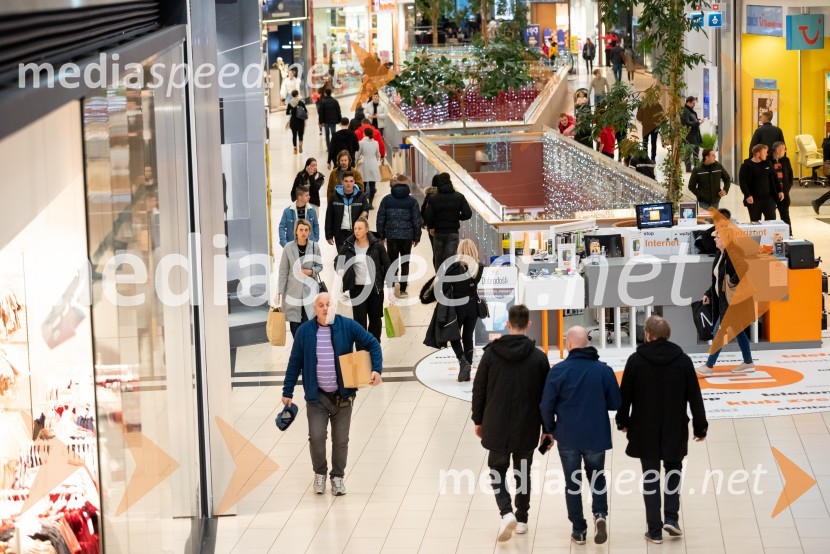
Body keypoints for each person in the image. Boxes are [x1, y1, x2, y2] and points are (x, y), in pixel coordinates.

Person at [616, 316, 707, 544]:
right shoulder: (683, 361)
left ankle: (654, 531)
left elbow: (625, 395)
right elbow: (694, 397)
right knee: (673, 471)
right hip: (674, 427)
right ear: (668, 335)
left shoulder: (636, 360)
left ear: (647, 335)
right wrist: (700, 427)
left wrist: (622, 420)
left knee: (650, 477)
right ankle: (672, 519)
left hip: (645, 428)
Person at [282, 292, 383, 496]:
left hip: (343, 397)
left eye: (329, 304)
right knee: (317, 438)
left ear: (334, 306)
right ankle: (319, 473)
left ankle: (337, 477)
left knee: (341, 440)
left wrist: (376, 369)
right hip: (316, 397)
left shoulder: (348, 325)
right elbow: (295, 363)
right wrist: (288, 390)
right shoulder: (305, 332)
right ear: (315, 308)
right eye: (321, 305)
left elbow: (372, 343)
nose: (325, 308)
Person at [471, 304, 550, 543]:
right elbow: (547, 397)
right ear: (529, 324)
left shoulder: (491, 353)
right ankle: (523, 519)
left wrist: (478, 418)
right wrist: (548, 429)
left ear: (507, 324)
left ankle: (506, 512)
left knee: (497, 469)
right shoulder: (539, 357)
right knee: (523, 472)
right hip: (527, 424)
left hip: (495, 421)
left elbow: (479, 389)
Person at [540, 326, 621, 546]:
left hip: (567, 437)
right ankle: (600, 514)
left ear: (568, 344)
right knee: (597, 477)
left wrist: (548, 429)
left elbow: (546, 405)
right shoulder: (603, 370)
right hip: (596, 436)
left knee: (572, 483)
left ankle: (579, 530)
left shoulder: (558, 371)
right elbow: (616, 403)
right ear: (587, 343)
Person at [695, 228, 756, 376]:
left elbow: (744, 267)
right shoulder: (720, 254)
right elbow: (717, 279)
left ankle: (709, 366)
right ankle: (748, 362)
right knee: (738, 330)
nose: (715, 240)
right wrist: (708, 293)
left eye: (717, 237)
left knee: (719, 332)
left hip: (733, 302)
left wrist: (732, 283)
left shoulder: (734, 253)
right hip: (724, 300)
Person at [336, 218, 391, 342]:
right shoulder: (349, 244)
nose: (357, 231)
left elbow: (387, 265)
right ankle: (362, 352)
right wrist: (340, 269)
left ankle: (374, 348)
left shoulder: (377, 245)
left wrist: (390, 287)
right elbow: (338, 260)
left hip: (374, 288)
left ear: (367, 229)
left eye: (360, 228)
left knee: (375, 321)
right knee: (359, 323)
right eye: (355, 228)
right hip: (357, 289)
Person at [443, 239, 484, 382]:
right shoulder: (479, 267)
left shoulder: (454, 268)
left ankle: (463, 361)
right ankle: (467, 369)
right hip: (473, 306)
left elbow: (444, 286)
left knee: (454, 335)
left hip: (458, 306)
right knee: (468, 337)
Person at [276, 219, 323, 337]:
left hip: (309, 292)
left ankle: (307, 353)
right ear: (295, 231)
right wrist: (279, 292)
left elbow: (320, 266)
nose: (303, 232)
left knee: (309, 327)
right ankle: (300, 352)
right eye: (301, 230)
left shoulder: (314, 246)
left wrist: (310, 271)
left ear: (309, 232)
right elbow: (283, 271)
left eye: (306, 230)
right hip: (292, 293)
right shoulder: (288, 248)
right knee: (295, 329)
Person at [376, 175, 421, 297]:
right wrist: (417, 237)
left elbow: (380, 218)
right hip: (407, 237)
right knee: (405, 262)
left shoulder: (386, 200)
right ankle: (403, 289)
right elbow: (416, 220)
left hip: (391, 236)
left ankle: (392, 284)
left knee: (391, 261)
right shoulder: (412, 201)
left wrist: (381, 235)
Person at [423, 172, 473, 271]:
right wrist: (457, 217)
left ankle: (439, 282)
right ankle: (450, 283)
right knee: (451, 260)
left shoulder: (433, 198)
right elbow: (468, 213)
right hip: (453, 232)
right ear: (450, 182)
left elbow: (427, 215)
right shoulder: (459, 196)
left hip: (439, 232)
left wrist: (431, 226)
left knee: (439, 259)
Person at [325, 172, 369, 253]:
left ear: (354, 182)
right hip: (339, 234)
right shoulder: (335, 197)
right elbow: (329, 216)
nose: (348, 183)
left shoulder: (361, 196)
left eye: (351, 181)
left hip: (356, 233)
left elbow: (366, 210)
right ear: (342, 182)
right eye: (346, 181)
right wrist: (328, 235)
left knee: (354, 258)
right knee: (342, 258)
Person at [739, 144, 781, 222]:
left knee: (771, 222)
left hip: (769, 199)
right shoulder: (746, 166)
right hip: (754, 200)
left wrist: (780, 191)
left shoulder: (768, 163)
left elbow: (775, 178)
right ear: (758, 154)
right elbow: (742, 182)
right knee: (755, 223)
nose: (767, 154)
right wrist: (747, 195)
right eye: (765, 153)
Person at [769, 141, 794, 233]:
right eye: (784, 149)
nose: (785, 151)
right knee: (771, 216)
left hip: (784, 193)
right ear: (778, 150)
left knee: (785, 215)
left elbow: (790, 174)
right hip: (771, 194)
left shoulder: (786, 160)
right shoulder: (768, 160)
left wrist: (788, 187)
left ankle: (789, 235)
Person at [356, 127, 381, 209]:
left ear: (364, 134)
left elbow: (357, 155)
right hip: (373, 164)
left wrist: (354, 163)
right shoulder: (376, 143)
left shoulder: (361, 143)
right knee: (372, 185)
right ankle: (370, 203)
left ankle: (364, 203)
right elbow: (378, 155)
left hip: (364, 165)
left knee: (363, 185)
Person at [682, 96, 702, 172]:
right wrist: (697, 122)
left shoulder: (690, 111)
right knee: (689, 152)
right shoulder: (685, 111)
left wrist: (698, 121)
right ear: (688, 102)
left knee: (696, 151)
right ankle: (689, 168)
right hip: (690, 135)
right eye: (693, 103)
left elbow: (692, 120)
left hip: (694, 134)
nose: (694, 105)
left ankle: (696, 168)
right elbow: (686, 123)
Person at [286, 90, 307, 155]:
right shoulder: (301, 102)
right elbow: (305, 111)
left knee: (294, 135)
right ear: (297, 94)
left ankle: (295, 148)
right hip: (301, 121)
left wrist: (292, 112)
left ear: (292, 95)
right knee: (300, 134)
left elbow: (287, 113)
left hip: (293, 121)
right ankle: (300, 142)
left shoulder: (290, 103)